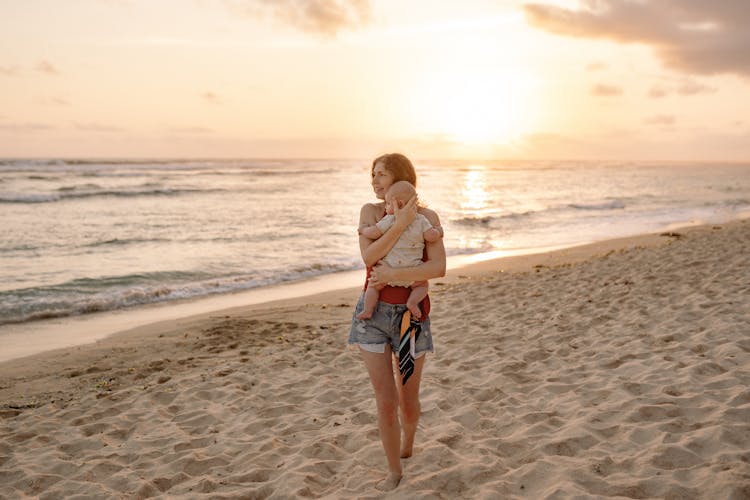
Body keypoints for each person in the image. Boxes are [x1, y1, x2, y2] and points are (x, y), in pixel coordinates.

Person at [348, 153, 446, 491]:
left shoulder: (428, 217)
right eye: (373, 175)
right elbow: (369, 256)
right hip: (372, 317)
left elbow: (438, 268)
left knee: (408, 399)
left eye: (382, 175)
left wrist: (395, 274)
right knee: (386, 401)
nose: (374, 181)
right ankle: (394, 471)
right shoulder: (370, 213)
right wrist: (401, 223)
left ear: (402, 178)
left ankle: (409, 442)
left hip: (411, 318)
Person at [357, 180, 442, 321]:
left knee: (373, 286)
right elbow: (431, 236)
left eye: (388, 204)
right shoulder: (421, 220)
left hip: (388, 269)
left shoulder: (389, 219)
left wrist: (363, 229)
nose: (386, 207)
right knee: (423, 285)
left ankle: (367, 310)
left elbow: (374, 232)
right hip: (412, 273)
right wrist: (438, 231)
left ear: (400, 204)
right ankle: (412, 302)